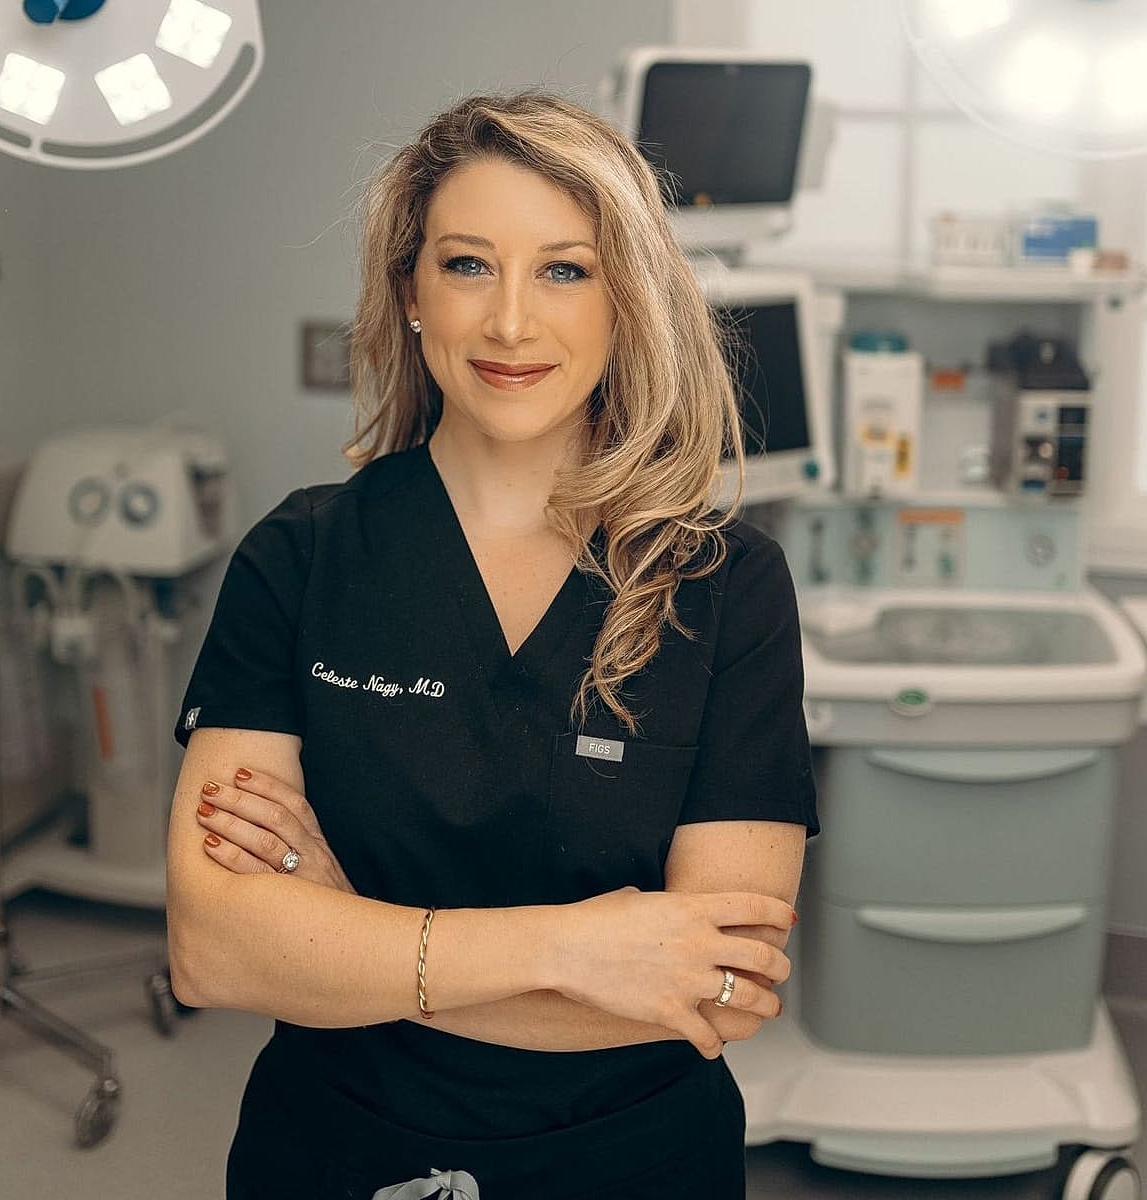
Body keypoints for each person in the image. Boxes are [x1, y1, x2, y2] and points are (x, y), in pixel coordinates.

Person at [166, 90, 818, 1200]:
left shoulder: (726, 585)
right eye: (469, 266)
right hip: (337, 1151)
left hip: (631, 1161)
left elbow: (715, 992)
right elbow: (214, 951)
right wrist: (575, 953)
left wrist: (347, 938)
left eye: (564, 270)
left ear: (628, 301)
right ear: (409, 294)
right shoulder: (303, 555)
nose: (512, 323)